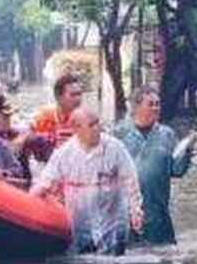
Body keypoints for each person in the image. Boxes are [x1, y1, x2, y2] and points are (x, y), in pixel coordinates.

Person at [30, 108, 144, 256]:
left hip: (113, 220)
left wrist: (135, 210)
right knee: (83, 260)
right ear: (76, 129)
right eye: (91, 125)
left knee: (113, 261)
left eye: (97, 123)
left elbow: (130, 179)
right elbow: (45, 182)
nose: (97, 128)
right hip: (80, 221)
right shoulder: (64, 154)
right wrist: (29, 203)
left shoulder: (115, 148)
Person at [113, 87, 197, 246]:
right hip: (125, 211)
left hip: (158, 211)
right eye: (151, 104)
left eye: (158, 104)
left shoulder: (167, 134)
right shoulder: (119, 133)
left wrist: (188, 150)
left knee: (162, 253)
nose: (156, 108)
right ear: (136, 106)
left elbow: (176, 170)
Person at [32, 74, 85, 148]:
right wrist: (51, 138)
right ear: (59, 97)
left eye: (79, 94)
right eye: (73, 95)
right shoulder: (43, 116)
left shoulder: (86, 120)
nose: (78, 99)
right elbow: (28, 135)